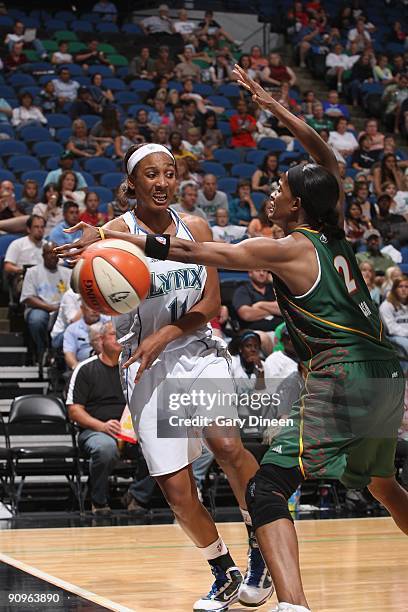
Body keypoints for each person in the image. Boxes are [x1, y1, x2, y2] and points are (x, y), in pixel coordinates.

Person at [61, 67, 408, 611]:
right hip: (383, 370)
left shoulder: (279, 246)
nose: (271, 192)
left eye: (279, 189)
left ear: (295, 205)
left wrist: (105, 234)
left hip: (321, 371)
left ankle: (288, 598)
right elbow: (325, 158)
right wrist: (272, 102)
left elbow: (203, 263)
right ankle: (225, 570)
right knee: (382, 483)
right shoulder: (331, 224)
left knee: (262, 481)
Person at [57, 141, 273, 611]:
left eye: (169, 174)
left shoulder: (194, 226)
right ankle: (224, 571)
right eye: (151, 175)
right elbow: (88, 278)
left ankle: (261, 548)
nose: (162, 183)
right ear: (131, 183)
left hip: (199, 351)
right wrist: (80, 269)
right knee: (177, 492)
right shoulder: (112, 234)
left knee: (227, 445)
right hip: (146, 366)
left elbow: (211, 304)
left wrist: (166, 334)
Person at [66, 321, 129, 515]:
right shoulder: (85, 369)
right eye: (113, 334)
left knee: (160, 443)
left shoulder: (131, 368)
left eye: (122, 334)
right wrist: (102, 426)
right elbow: (75, 411)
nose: (119, 338)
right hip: (95, 430)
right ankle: (99, 501)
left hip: (130, 430)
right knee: (105, 448)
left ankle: (138, 498)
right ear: (101, 340)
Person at [20, 242, 71, 361]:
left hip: (61, 309)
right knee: (37, 320)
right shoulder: (32, 272)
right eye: (49, 253)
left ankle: (57, 354)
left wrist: (59, 309)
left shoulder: (68, 273)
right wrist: (51, 308)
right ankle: (42, 349)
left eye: (56, 253)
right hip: (38, 308)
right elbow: (28, 297)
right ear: (43, 255)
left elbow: (71, 296)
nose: (53, 256)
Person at [233, 270, 282, 355]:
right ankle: (275, 362)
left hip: (280, 329)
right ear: (250, 273)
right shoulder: (243, 290)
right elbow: (246, 314)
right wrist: (272, 309)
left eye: (265, 271)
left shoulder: (273, 289)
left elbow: (284, 308)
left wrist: (260, 304)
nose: (262, 273)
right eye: (258, 270)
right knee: (262, 338)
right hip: (257, 331)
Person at [63, 300, 107, 370]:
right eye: (90, 307)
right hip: (83, 367)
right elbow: (69, 354)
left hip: (107, 365)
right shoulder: (72, 329)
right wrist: (77, 369)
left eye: (97, 307)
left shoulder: (109, 324)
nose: (94, 311)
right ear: (82, 308)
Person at [380, 276, 408, 362]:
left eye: (406, 286)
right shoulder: (386, 305)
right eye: (400, 286)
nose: (404, 289)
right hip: (393, 337)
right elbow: (391, 329)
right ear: (394, 289)